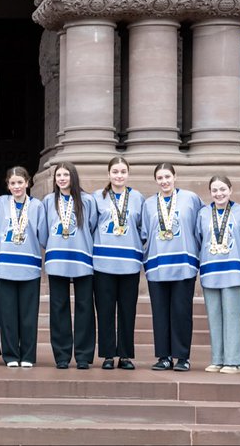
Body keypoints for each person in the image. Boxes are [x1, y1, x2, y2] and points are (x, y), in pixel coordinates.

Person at [141, 163, 203, 372]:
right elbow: (143, 233)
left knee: (181, 311)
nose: (164, 181)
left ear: (175, 176)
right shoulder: (149, 203)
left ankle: (182, 357)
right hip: (157, 265)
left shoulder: (191, 199)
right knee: (160, 312)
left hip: (184, 264)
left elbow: (202, 225)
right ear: (156, 180)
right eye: (160, 177)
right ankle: (164, 356)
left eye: (167, 176)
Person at [92, 157, 146, 370]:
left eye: (123, 171)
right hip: (103, 263)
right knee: (105, 310)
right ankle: (107, 354)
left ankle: (125, 355)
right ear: (109, 174)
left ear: (128, 174)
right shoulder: (98, 197)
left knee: (127, 309)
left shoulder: (137, 197)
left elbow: (142, 227)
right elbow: (90, 225)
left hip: (129, 263)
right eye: (115, 171)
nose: (119, 175)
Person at [42, 162, 97, 369]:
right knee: (59, 307)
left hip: (82, 257)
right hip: (57, 259)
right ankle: (62, 355)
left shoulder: (87, 200)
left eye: (66, 175)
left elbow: (91, 226)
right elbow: (43, 230)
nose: (62, 178)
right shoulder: (48, 201)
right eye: (59, 175)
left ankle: (83, 356)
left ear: (73, 177)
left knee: (84, 306)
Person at [0, 166, 47, 368]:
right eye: (12, 183)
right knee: (7, 314)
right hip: (5, 266)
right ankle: (11, 355)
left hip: (29, 267)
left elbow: (44, 235)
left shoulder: (37, 206)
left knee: (28, 315)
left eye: (20, 182)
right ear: (8, 185)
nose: (17, 186)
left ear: (28, 182)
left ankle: (28, 355)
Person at [196, 174, 240, 374]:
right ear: (210, 193)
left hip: (234, 271)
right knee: (215, 316)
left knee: (233, 315)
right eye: (215, 190)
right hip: (210, 272)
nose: (219, 194)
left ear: (231, 190)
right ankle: (218, 359)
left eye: (222, 189)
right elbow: (198, 239)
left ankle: (234, 361)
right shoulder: (202, 214)